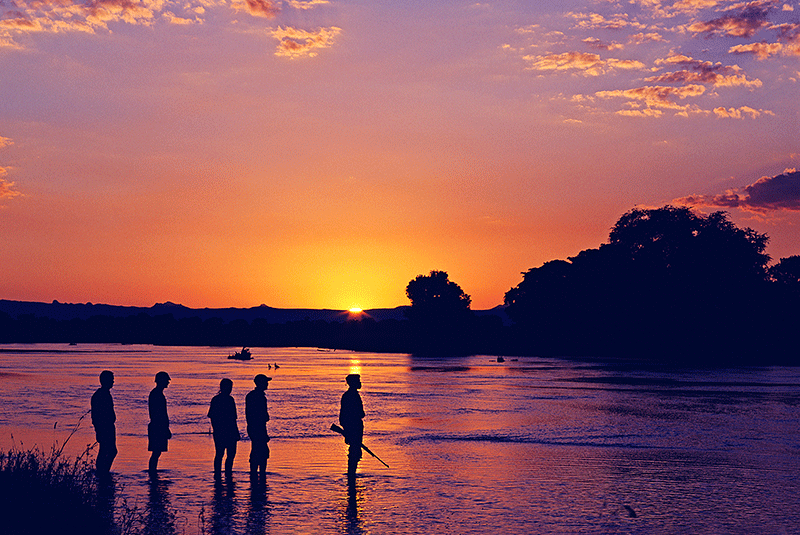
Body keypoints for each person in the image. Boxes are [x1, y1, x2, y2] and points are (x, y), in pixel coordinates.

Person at [208, 378, 240, 476]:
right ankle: (223, 474)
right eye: (229, 387)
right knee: (223, 454)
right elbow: (232, 418)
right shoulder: (225, 400)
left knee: (225, 454)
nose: (230, 389)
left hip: (223, 431)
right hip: (224, 431)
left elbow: (233, 418)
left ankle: (223, 474)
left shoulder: (221, 399)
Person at [91, 370, 117, 474]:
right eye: (111, 380)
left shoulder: (105, 394)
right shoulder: (100, 395)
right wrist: (98, 429)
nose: (113, 382)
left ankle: (102, 472)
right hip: (105, 427)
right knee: (110, 451)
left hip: (108, 426)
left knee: (105, 450)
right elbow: (96, 415)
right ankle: (103, 471)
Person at [339, 373, 365, 477]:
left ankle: (351, 476)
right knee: (355, 453)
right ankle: (351, 476)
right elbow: (358, 413)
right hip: (354, 428)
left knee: (355, 453)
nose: (360, 383)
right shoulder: (351, 396)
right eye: (358, 381)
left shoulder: (349, 395)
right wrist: (348, 430)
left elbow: (342, 417)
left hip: (354, 428)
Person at [245, 374, 271, 476]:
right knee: (261, 452)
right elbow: (262, 416)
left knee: (257, 450)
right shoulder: (259, 397)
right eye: (265, 382)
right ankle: (260, 474)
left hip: (253, 427)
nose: (267, 384)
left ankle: (255, 474)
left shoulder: (251, 395)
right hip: (258, 428)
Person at [148, 371, 172, 474]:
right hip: (157, 427)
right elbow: (158, 413)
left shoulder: (157, 393)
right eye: (167, 380)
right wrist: (164, 428)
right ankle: (152, 472)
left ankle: (153, 473)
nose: (168, 382)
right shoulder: (156, 394)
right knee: (156, 452)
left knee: (157, 452)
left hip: (158, 426)